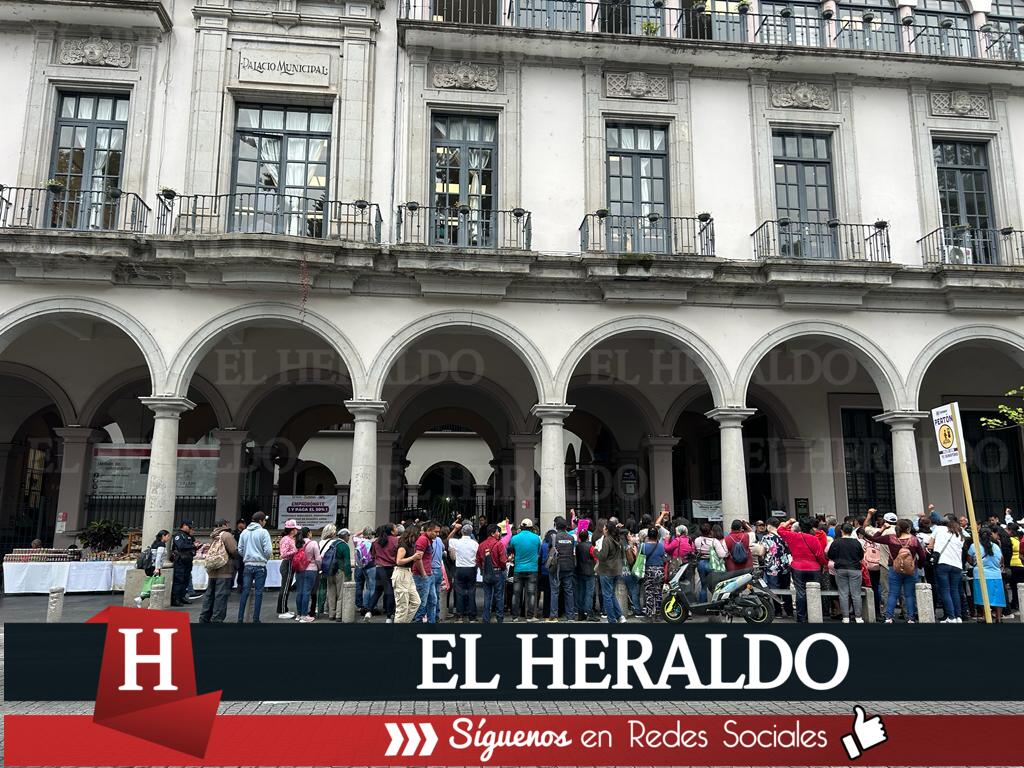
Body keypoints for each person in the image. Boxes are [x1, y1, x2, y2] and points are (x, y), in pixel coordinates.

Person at [867, 519, 927, 623]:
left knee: (893, 593)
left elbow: (873, 538)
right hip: (911, 570)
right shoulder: (914, 540)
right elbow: (922, 556)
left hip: (894, 568)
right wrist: (919, 566)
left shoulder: (891, 538)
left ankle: (889, 617)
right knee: (909, 594)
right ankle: (910, 618)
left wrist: (883, 528)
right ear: (908, 528)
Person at [778, 518, 827, 623]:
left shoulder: (793, 536)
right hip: (814, 567)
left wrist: (789, 521)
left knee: (800, 593)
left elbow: (780, 530)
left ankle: (801, 617)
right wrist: (824, 564)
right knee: (813, 592)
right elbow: (820, 555)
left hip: (798, 567)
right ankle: (813, 615)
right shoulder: (814, 539)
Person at [199, 519, 238, 624]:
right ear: (225, 525)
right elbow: (234, 550)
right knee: (221, 596)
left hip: (212, 570)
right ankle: (217, 620)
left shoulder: (213, 535)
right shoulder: (227, 535)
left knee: (209, 595)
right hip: (224, 571)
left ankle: (204, 618)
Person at [237, 512, 272, 623]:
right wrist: (263, 558)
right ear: (260, 521)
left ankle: (240, 618)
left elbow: (240, 550)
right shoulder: (263, 532)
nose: (265, 522)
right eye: (264, 520)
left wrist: (247, 557)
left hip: (247, 565)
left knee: (245, 591)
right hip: (260, 566)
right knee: (258, 592)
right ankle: (255, 619)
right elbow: (268, 551)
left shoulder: (244, 532)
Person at [930, 514, 965, 623]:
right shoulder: (960, 533)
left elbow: (930, 544)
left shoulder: (939, 529)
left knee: (945, 591)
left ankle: (950, 617)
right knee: (955, 591)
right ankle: (958, 616)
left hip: (943, 563)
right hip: (957, 565)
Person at [827, 523, 864, 623]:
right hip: (855, 569)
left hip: (841, 569)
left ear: (842, 531)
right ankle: (858, 617)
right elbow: (861, 556)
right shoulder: (856, 542)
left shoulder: (836, 542)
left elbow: (830, 555)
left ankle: (845, 617)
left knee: (843, 594)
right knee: (856, 594)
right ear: (852, 531)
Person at [968, 525, 1006, 621]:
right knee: (998, 597)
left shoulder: (974, 546)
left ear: (979, 536)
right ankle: (998, 617)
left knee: (982, 598)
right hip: (996, 575)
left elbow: (969, 560)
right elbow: (1001, 560)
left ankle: (986, 616)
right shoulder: (996, 546)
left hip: (980, 575)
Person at [508, 518, 541, 621]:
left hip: (518, 569)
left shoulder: (515, 538)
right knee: (531, 594)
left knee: (516, 593)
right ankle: (530, 616)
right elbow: (538, 551)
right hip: (532, 569)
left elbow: (511, 550)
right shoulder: (536, 538)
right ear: (531, 527)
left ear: (521, 527)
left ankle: (515, 617)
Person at [546, 516, 577, 622]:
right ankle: (570, 616)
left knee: (555, 591)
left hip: (556, 568)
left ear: (556, 525)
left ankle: (554, 615)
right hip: (568, 566)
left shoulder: (554, 537)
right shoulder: (571, 538)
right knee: (569, 591)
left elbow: (549, 550)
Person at [365, 523, 398, 622]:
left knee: (377, 591)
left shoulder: (376, 541)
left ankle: (369, 611)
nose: (397, 529)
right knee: (389, 592)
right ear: (392, 531)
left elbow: (372, 555)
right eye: (395, 528)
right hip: (390, 569)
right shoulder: (396, 540)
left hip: (378, 568)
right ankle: (388, 616)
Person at [595, 519, 626, 624]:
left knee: (607, 596)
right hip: (616, 570)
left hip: (607, 570)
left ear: (607, 529)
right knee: (611, 594)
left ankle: (611, 619)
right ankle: (619, 616)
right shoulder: (618, 539)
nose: (603, 529)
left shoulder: (607, 540)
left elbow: (602, 556)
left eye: (604, 527)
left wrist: (594, 551)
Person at [760, 521, 793, 618]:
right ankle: (789, 611)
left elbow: (762, 551)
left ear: (769, 526)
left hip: (772, 567)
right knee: (786, 588)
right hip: (784, 565)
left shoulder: (766, 537)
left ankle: (778, 612)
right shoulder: (784, 535)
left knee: (774, 590)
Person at [477, 523, 508, 623]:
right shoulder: (499, 544)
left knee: (487, 596)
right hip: (498, 572)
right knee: (499, 596)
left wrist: (482, 570)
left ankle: (486, 618)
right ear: (492, 533)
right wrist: (503, 568)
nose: (499, 533)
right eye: (498, 532)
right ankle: (499, 618)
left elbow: (477, 560)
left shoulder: (481, 545)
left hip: (486, 573)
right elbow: (503, 561)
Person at [392, 524, 423, 623]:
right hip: (401, 573)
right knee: (402, 606)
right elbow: (399, 561)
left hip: (407, 573)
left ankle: (404, 623)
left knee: (416, 602)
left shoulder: (410, 545)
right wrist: (413, 557)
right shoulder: (403, 545)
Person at [449, 522, 479, 622]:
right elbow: (477, 556)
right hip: (471, 568)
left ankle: (460, 616)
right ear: (471, 533)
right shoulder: (475, 543)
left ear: (462, 532)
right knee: (471, 592)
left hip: (460, 568)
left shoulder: (456, 542)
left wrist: (454, 529)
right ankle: (472, 617)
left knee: (459, 592)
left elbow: (448, 539)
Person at [411, 520, 440, 623]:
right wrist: (424, 574)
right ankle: (417, 623)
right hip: (422, 576)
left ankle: (431, 624)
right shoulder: (423, 540)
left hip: (428, 574)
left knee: (432, 601)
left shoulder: (428, 540)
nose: (437, 534)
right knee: (422, 603)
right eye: (435, 532)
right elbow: (418, 558)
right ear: (429, 530)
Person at [291, 527, 322, 622]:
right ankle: (304, 615)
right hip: (311, 570)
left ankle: (299, 614)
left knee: (299, 592)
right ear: (308, 533)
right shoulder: (313, 543)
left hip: (299, 570)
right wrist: (319, 567)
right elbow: (318, 559)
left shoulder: (297, 543)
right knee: (307, 592)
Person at [321, 526, 352, 621]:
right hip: (340, 571)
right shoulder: (344, 546)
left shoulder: (332, 543)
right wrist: (349, 575)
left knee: (331, 593)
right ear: (345, 536)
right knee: (340, 594)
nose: (349, 538)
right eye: (348, 536)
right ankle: (338, 615)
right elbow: (347, 562)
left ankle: (331, 614)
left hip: (330, 571)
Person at [693, 523, 728, 602]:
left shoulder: (697, 540)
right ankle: (715, 604)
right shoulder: (714, 541)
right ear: (710, 531)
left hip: (701, 563)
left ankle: (702, 604)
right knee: (715, 586)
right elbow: (722, 555)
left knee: (703, 585)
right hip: (712, 564)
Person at [134, 530, 170, 608]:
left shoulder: (155, 543)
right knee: (155, 586)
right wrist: (157, 568)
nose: (168, 538)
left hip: (149, 567)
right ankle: (148, 603)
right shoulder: (161, 544)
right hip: (154, 567)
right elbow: (158, 557)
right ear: (163, 536)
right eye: (167, 536)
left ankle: (141, 599)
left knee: (152, 585)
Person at [640, 527, 666, 621]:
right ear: (657, 536)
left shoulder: (643, 546)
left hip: (648, 570)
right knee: (658, 593)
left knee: (649, 593)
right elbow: (664, 558)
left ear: (648, 536)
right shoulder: (661, 546)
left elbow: (640, 558)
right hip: (659, 570)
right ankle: (658, 615)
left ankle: (649, 615)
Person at [277, 520, 301, 619]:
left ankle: (284, 609)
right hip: (287, 564)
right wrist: (295, 551)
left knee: (286, 587)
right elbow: (283, 554)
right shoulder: (286, 539)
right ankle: (282, 611)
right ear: (292, 530)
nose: (297, 530)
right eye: (295, 529)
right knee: (285, 588)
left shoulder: (289, 539)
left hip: (289, 564)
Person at [169, 520, 196, 606]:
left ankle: (182, 596)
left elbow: (192, 544)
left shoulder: (188, 536)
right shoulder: (178, 535)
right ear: (184, 525)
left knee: (186, 579)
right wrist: (192, 546)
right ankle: (175, 599)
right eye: (189, 527)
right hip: (180, 560)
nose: (190, 529)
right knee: (179, 580)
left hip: (188, 560)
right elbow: (180, 546)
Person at [574, 528, 598, 621]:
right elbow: (595, 558)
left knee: (581, 592)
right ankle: (589, 613)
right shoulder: (591, 546)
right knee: (589, 593)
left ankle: (580, 613)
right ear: (588, 537)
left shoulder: (578, 546)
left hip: (579, 571)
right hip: (589, 572)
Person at [353, 526, 376, 614]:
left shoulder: (358, 541)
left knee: (366, 588)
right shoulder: (372, 542)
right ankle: (371, 606)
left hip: (361, 566)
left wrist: (361, 531)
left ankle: (364, 606)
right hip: (371, 565)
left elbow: (354, 536)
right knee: (372, 586)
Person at [1008, 523, 1024, 615]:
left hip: (1013, 565)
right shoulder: (1019, 540)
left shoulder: (1010, 540)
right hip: (1021, 565)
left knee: (1014, 587)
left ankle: (1016, 605)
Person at [231, 518, 247, 590]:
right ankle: (230, 585)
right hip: (236, 554)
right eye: (241, 523)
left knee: (242, 571)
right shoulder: (234, 533)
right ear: (238, 524)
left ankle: (240, 585)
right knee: (233, 571)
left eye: (243, 523)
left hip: (243, 554)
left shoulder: (246, 533)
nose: (243, 525)